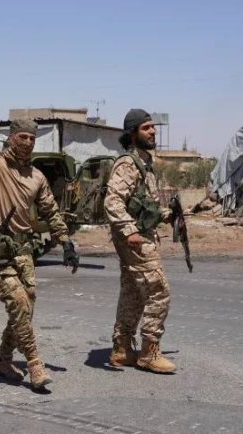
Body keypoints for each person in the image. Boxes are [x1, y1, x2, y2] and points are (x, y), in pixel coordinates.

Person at [0, 93, 79, 390]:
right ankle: (35, 364)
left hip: (24, 250)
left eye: (31, 138)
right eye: (22, 137)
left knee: (26, 307)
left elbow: (51, 211)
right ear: (11, 138)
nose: (27, 142)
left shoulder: (37, 176)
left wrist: (65, 242)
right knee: (19, 302)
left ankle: (3, 358)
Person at [103, 108, 177, 374]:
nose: (153, 131)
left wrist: (167, 215)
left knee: (133, 292)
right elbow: (112, 201)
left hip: (140, 235)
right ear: (133, 134)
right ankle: (149, 351)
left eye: (153, 127)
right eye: (146, 128)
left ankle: (122, 349)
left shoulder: (143, 163)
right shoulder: (128, 163)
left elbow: (144, 205)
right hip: (135, 240)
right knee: (159, 290)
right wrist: (129, 231)